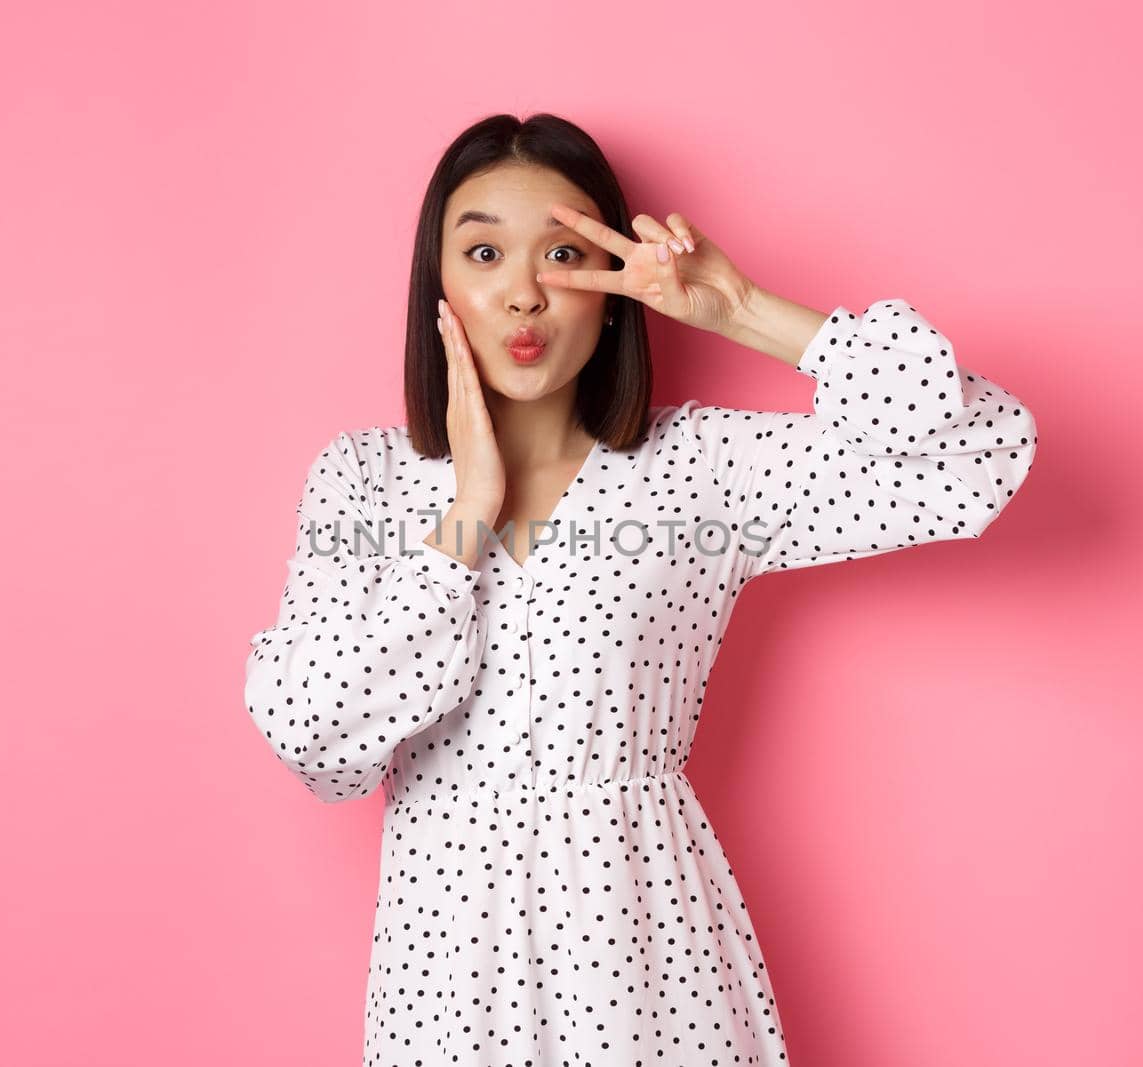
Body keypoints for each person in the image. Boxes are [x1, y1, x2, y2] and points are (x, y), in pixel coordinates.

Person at [244, 112, 1038, 1064]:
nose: (525, 294)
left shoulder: (697, 469)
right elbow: (311, 733)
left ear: (614, 292)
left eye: (565, 253)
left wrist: (741, 309)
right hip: (443, 971)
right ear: (439, 287)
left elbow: (981, 453)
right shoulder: (364, 482)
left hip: (645, 957)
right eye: (486, 252)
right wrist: (468, 514)